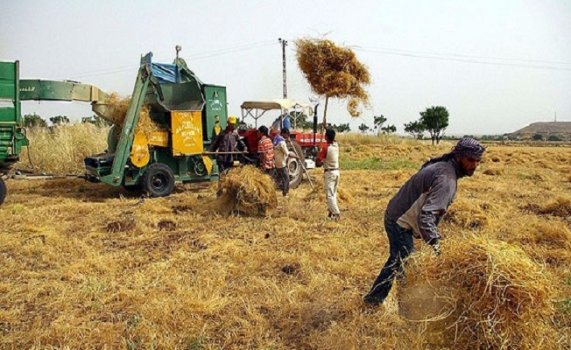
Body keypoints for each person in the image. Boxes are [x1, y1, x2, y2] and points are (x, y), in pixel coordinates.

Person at [363, 137, 486, 306]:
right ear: (459, 157)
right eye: (471, 160)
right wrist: (438, 246)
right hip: (400, 221)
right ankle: (400, 308)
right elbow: (426, 215)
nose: (474, 165)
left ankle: (375, 300)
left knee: (398, 261)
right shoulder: (446, 179)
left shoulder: (445, 166)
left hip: (396, 213)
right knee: (406, 266)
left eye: (478, 161)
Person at [316, 128, 340, 220]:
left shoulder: (326, 148)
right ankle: (331, 212)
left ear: (326, 136)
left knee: (329, 195)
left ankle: (336, 213)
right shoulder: (336, 145)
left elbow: (318, 163)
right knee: (333, 193)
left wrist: (318, 155)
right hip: (337, 172)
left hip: (329, 173)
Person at [273, 128, 297, 197]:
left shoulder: (276, 138)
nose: (288, 136)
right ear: (283, 133)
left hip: (277, 162)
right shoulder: (282, 142)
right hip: (282, 163)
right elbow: (288, 153)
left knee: (280, 178)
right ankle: (285, 193)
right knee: (286, 178)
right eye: (287, 135)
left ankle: (281, 190)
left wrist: (287, 140)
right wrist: (296, 157)